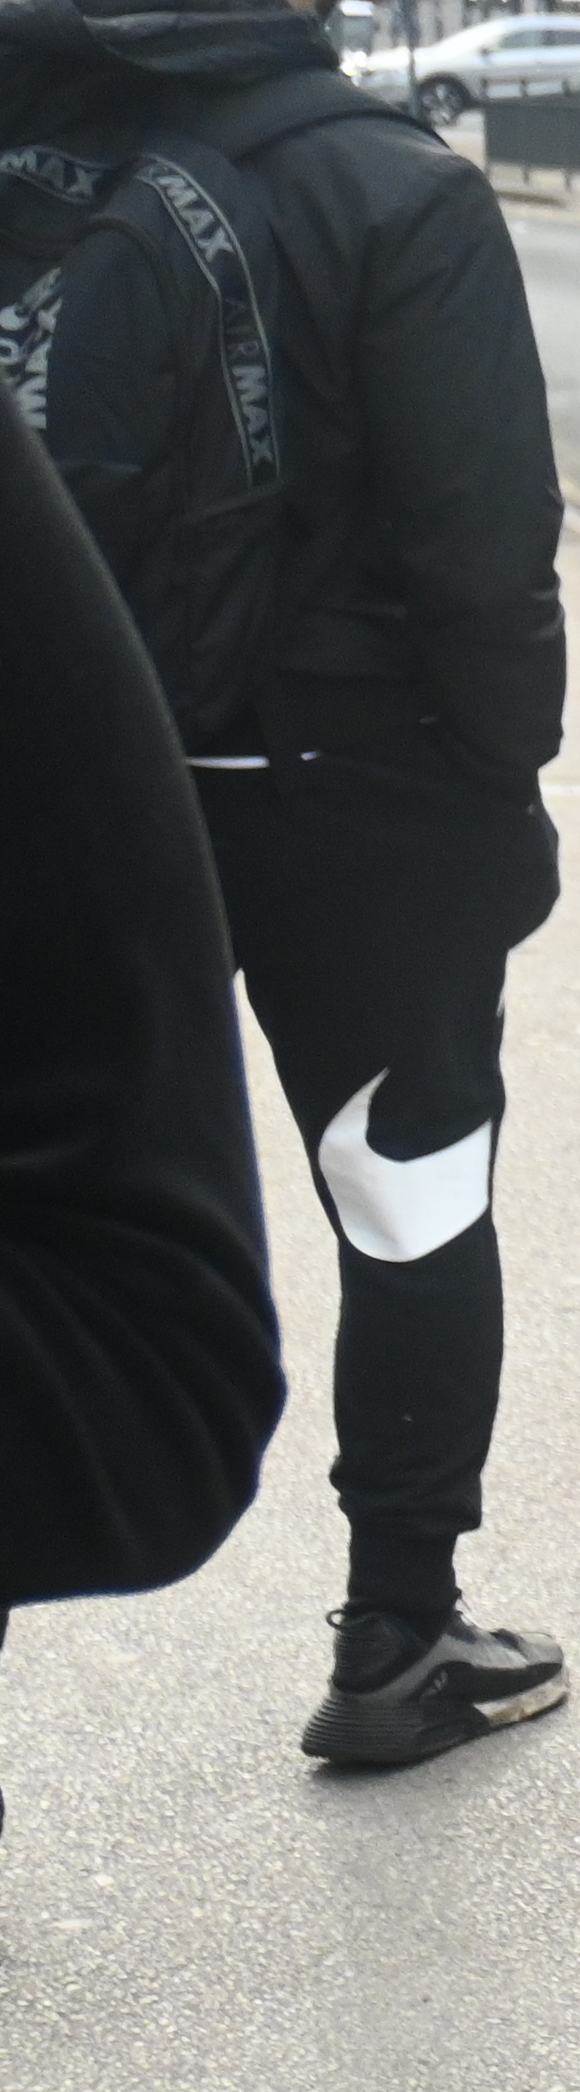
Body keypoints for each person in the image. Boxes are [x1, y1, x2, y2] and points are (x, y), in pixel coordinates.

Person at [0, 0, 572, 1770]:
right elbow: (485, 556)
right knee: (410, 1198)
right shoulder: (398, 194)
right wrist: (504, 787)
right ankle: (397, 1635)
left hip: (58, 788)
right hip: (349, 797)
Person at [0, 397, 284, 1629]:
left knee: (406, 1178)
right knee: (407, 1186)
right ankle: (403, 1607)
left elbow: (161, 1379)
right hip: (331, 764)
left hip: (325, 778)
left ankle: (405, 1599)